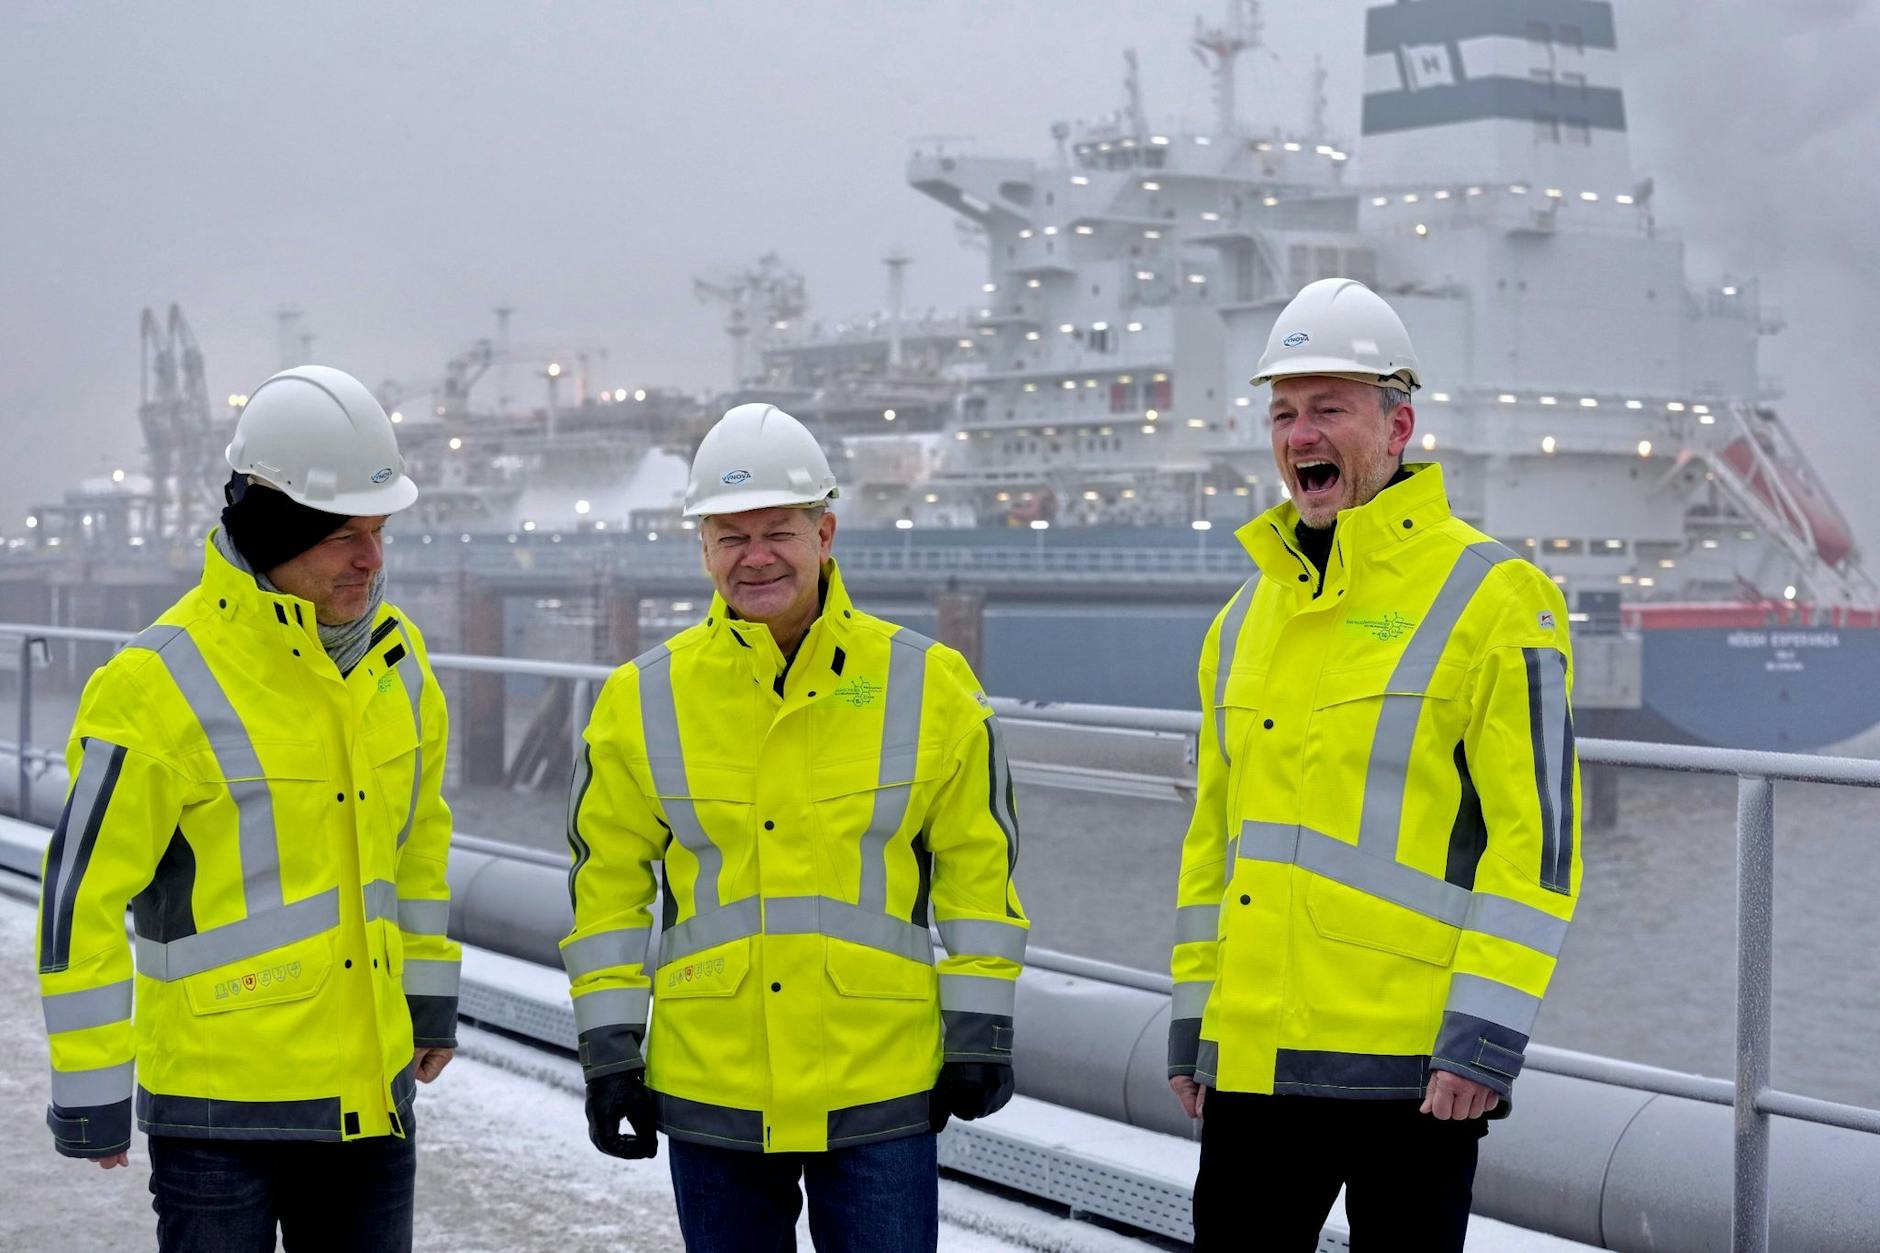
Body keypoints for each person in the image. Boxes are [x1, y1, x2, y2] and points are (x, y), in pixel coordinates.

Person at [1167, 279, 1582, 1250]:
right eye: (1283, 413)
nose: (1300, 434)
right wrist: (1194, 1020)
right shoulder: (1242, 618)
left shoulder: (1494, 594)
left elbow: (1536, 843)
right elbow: (1213, 840)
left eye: (1328, 408)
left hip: (1416, 1070)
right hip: (1255, 1058)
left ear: (1397, 426)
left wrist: (1483, 1035)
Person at [563, 402, 1027, 1251]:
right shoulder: (641, 698)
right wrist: (610, 1047)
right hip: (714, 1084)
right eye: (731, 537)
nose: (757, 556)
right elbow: (607, 884)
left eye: (778, 530)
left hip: (878, 1080)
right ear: (702, 548)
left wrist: (982, 1026)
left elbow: (978, 866)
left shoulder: (930, 683)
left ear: (825, 533)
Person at [35, 365, 460, 1252]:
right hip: (218, 1116)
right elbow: (81, 896)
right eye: (344, 536)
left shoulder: (398, 659)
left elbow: (418, 845)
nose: (373, 559)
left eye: (379, 532)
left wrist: (427, 999)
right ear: (273, 532)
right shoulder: (156, 683)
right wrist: (91, 1086)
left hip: (370, 1098)